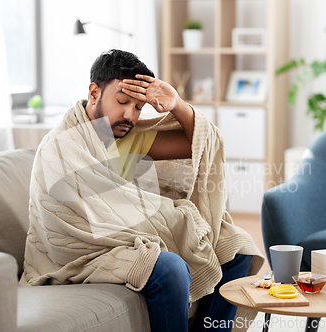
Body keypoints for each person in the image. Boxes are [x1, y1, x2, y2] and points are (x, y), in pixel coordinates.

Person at [20, 49, 265, 332]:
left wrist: (178, 105)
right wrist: (175, 221)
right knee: (169, 268)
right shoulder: (61, 145)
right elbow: (68, 225)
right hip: (86, 251)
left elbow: (204, 144)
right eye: (122, 101)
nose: (129, 115)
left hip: (133, 236)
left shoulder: (126, 138)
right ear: (94, 92)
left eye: (138, 107)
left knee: (237, 248)